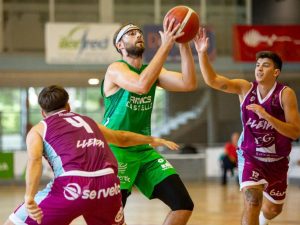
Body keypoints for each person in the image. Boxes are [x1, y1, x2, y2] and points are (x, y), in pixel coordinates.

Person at [4, 85, 179, 225]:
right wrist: (154, 139)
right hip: (109, 185)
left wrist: (29, 196)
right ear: (68, 106)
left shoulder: (38, 129)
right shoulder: (88, 121)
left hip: (73, 186)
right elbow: (122, 138)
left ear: (43, 112)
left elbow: (34, 161)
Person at [194, 28, 300, 225]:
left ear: (276, 72)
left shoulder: (285, 94)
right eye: (257, 65)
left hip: (278, 160)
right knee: (252, 200)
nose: (259, 68)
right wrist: (202, 53)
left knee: (274, 209)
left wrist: (266, 116)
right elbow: (213, 80)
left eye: (265, 66)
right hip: (250, 156)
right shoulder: (245, 88)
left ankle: (263, 219)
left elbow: (294, 132)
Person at [101, 19, 198, 225]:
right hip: (116, 150)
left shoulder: (153, 72)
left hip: (143, 150)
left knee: (183, 204)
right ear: (120, 45)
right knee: (113, 218)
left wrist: (184, 44)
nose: (138, 36)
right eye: (131, 33)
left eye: (139, 33)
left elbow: (188, 83)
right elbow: (141, 85)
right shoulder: (115, 69)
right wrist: (166, 45)